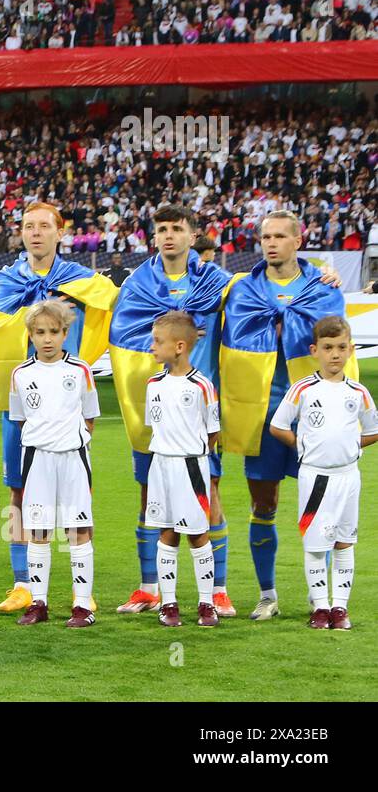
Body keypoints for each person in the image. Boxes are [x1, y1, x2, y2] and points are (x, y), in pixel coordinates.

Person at [0, 203, 116, 614]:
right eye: (28, 226)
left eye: (44, 226)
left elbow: (120, 305)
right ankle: (23, 584)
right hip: (22, 400)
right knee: (17, 492)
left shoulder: (82, 280)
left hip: (68, 408)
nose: (35, 233)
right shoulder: (4, 280)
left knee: (78, 499)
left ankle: (82, 590)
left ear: (61, 232)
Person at [220, 210, 348, 621]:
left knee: (321, 507)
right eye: (264, 237)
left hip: (314, 414)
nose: (270, 243)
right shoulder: (243, 290)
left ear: (298, 240)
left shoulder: (322, 287)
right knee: (264, 503)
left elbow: (334, 339)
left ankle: (320, 597)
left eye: (279, 236)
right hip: (262, 412)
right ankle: (268, 594)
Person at [108, 205, 235, 617]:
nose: (168, 235)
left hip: (198, 409)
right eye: (161, 229)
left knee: (209, 498)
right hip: (152, 410)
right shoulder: (137, 283)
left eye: (177, 229)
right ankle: (150, 589)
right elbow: (121, 331)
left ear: (192, 235)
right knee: (149, 498)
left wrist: (327, 275)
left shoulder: (215, 282)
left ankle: (216, 591)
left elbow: (254, 295)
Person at [268, 316, 378, 630]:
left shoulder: (358, 392)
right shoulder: (302, 389)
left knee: (345, 542)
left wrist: (351, 447)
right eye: (328, 347)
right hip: (314, 477)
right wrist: (302, 446)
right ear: (315, 350)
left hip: (348, 477)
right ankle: (320, 607)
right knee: (316, 544)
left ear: (351, 350)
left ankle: (340, 609)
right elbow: (277, 426)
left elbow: (374, 430)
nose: (335, 354)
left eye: (341, 347)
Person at [7, 300, 100, 628]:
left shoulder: (80, 371)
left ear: (65, 334)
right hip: (37, 459)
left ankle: (82, 605)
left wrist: (69, 441)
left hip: (73, 458)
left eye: (54, 332)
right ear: (31, 335)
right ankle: (39, 603)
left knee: (78, 531)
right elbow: (20, 420)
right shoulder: (20, 374)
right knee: (38, 531)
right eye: (40, 332)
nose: (47, 339)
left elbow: (89, 418)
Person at [143, 312, 221, 628]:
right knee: (166, 533)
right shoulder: (153, 384)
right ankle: (169, 603)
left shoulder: (202, 385)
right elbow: (155, 426)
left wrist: (195, 455)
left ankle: (206, 604)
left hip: (191, 466)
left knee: (198, 535)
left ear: (178, 346)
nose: (152, 347)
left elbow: (212, 431)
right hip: (160, 465)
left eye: (157, 341)